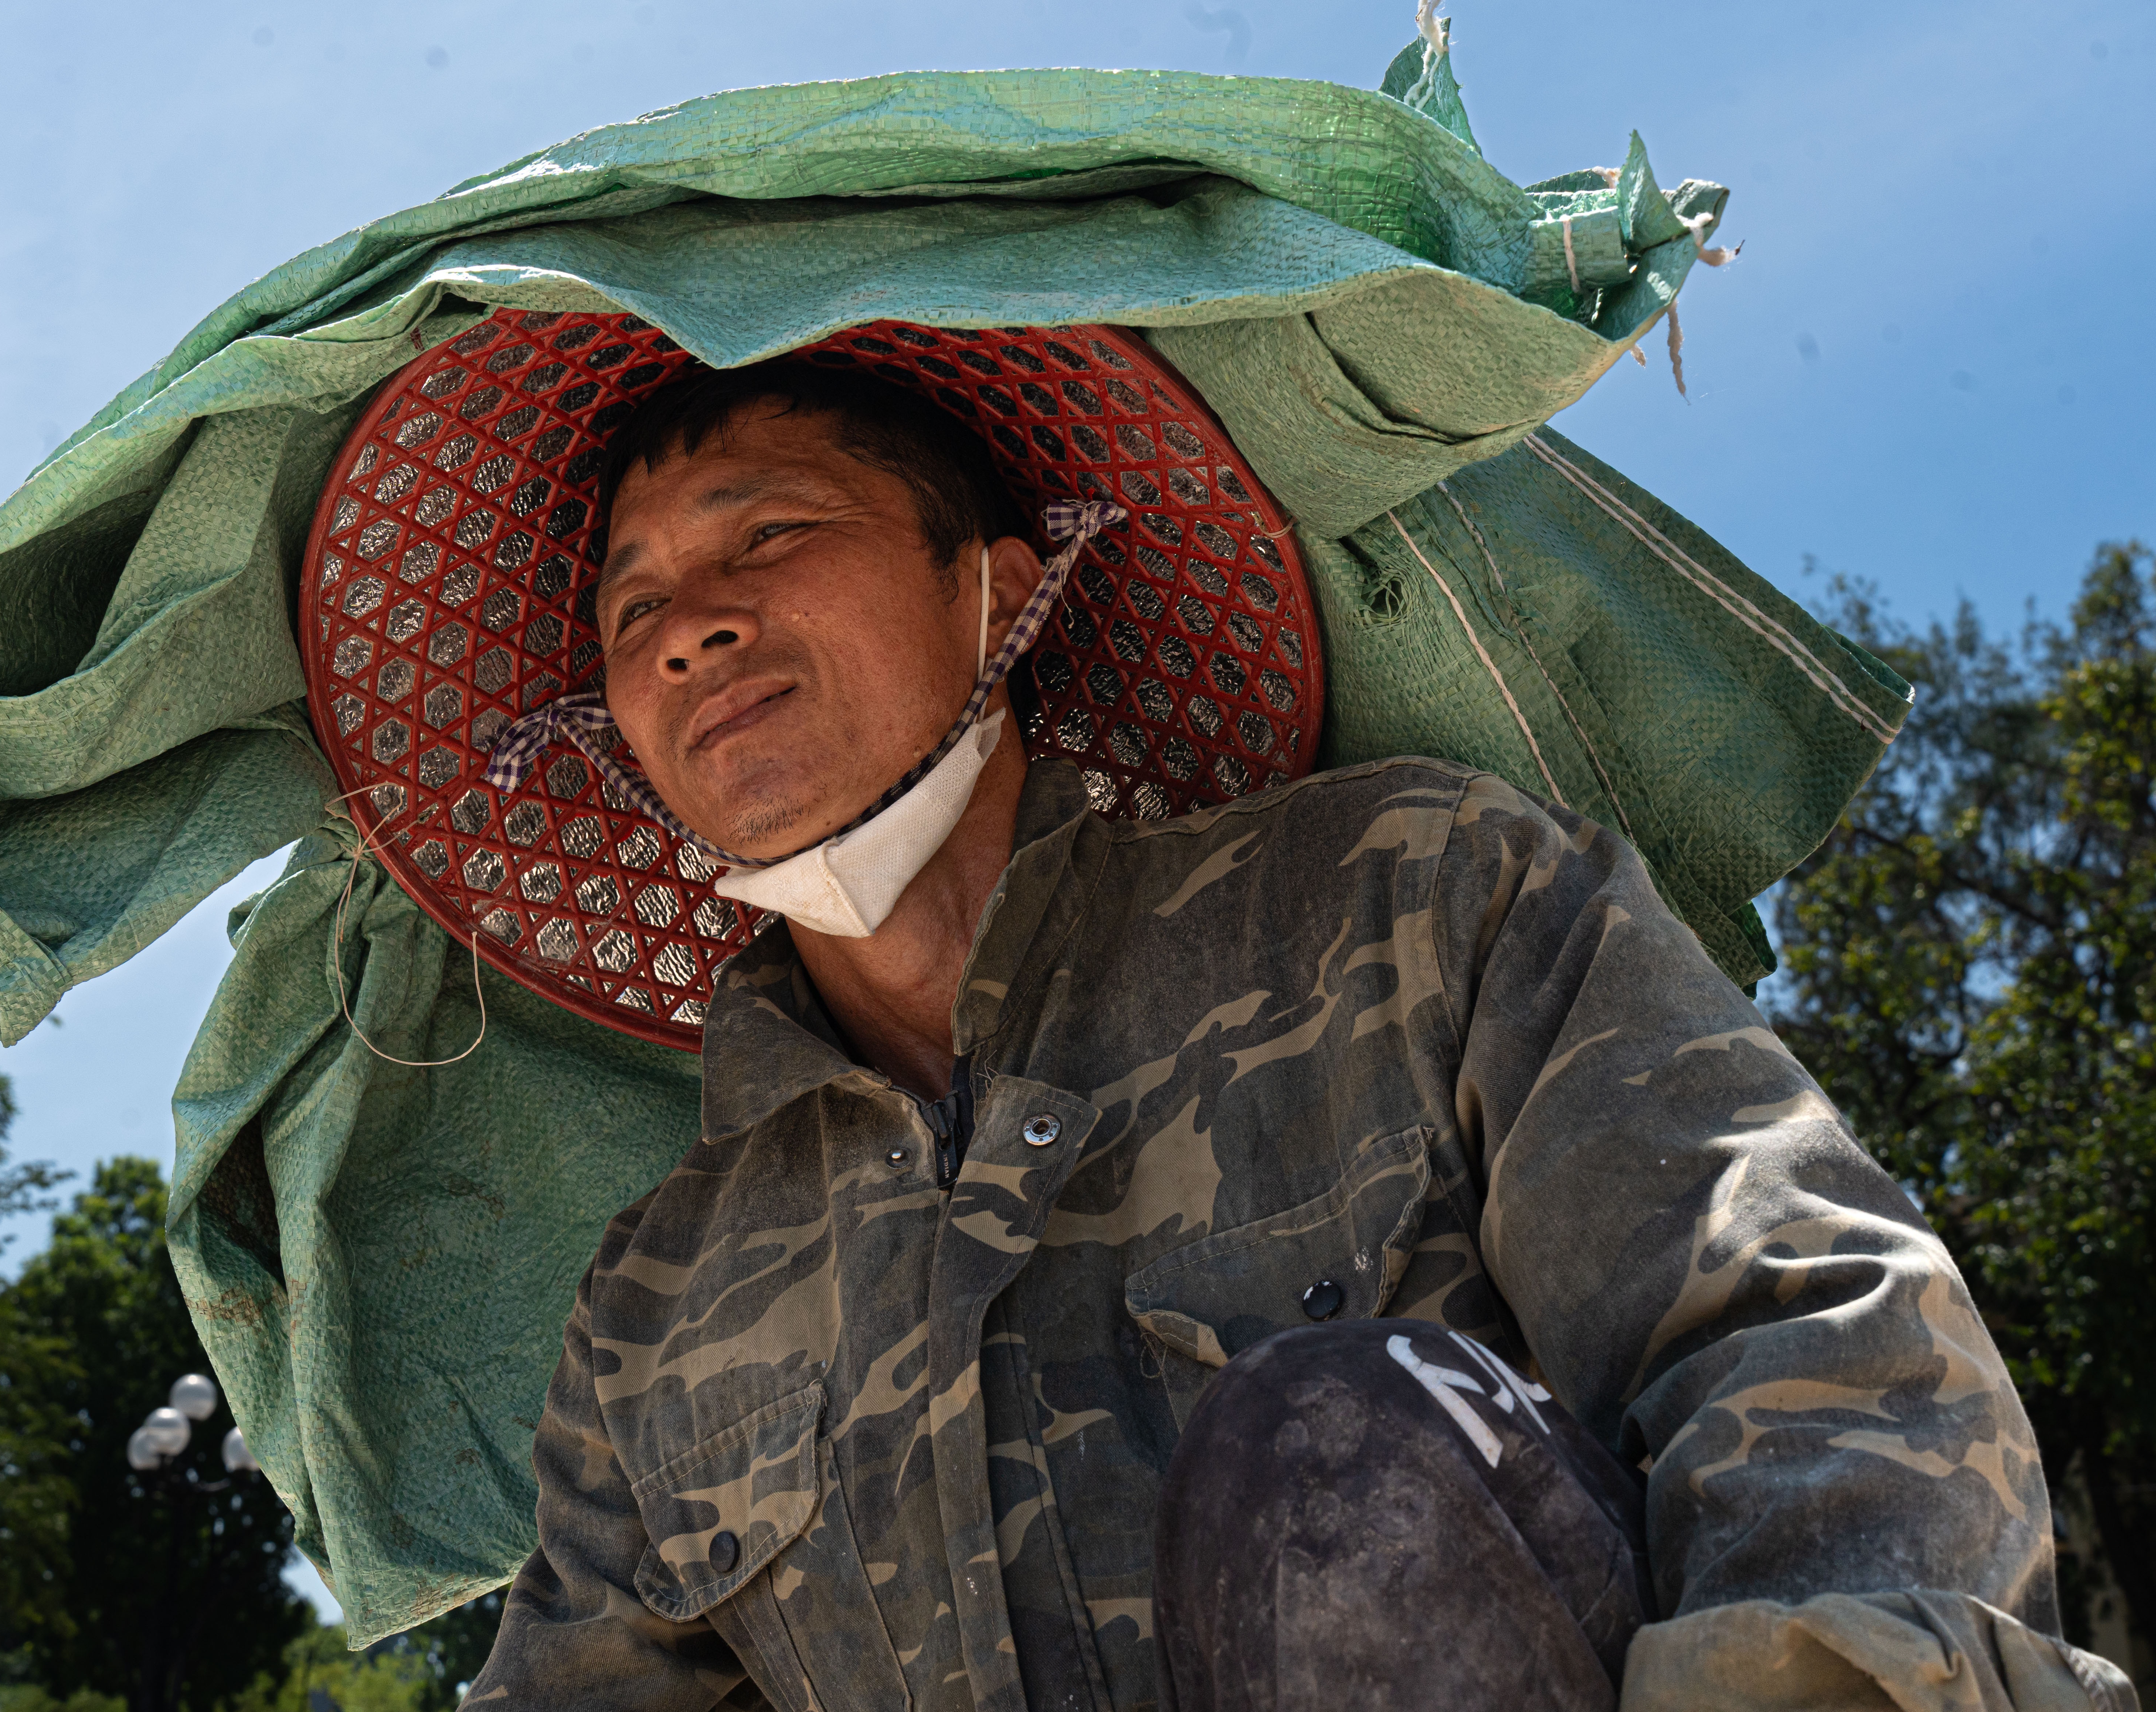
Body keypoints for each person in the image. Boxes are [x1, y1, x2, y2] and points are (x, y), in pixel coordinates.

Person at [444, 355, 2132, 1711]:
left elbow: (1804, 1323)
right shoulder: (656, 1304)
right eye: (630, 611)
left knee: (1331, 1429)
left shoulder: (1411, 901)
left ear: (996, 593)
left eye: (767, 537)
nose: (686, 628)